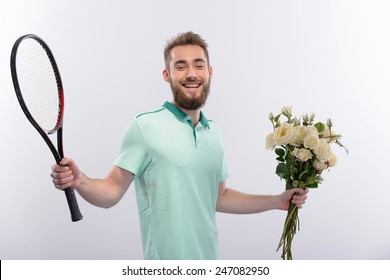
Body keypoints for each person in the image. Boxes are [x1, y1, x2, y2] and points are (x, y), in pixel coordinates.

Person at [51, 31, 308, 260]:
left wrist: (276, 201)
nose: (191, 73)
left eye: (199, 65)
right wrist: (79, 180)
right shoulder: (144, 127)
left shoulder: (214, 132)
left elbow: (219, 198)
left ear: (210, 72)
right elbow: (111, 191)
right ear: (167, 75)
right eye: (181, 66)